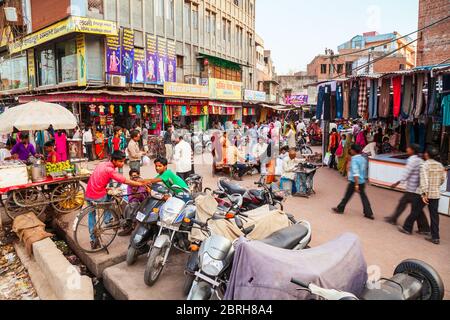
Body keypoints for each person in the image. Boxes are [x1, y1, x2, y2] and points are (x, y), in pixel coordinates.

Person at [85, 151, 151, 249]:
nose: (122, 164)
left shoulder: (102, 164)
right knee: (110, 200)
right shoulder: (110, 170)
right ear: (114, 160)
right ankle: (108, 220)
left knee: (92, 214)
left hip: (89, 192)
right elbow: (124, 180)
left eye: (123, 161)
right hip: (98, 194)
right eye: (120, 161)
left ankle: (93, 239)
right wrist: (141, 183)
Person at [386, 144, 431, 234]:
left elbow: (407, 173)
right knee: (412, 207)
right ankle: (424, 228)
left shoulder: (412, 161)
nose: (407, 149)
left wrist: (397, 183)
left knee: (413, 208)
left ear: (412, 151)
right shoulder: (420, 160)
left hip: (412, 189)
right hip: (417, 188)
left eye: (408, 148)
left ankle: (420, 228)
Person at [333, 144, 375, 220]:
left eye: (351, 149)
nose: (350, 150)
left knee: (347, 196)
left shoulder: (354, 160)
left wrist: (356, 185)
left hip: (354, 182)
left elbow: (356, 173)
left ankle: (340, 209)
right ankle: (368, 213)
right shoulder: (363, 159)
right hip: (362, 181)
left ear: (353, 151)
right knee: (364, 197)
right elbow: (363, 170)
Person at [417, 147, 445, 245]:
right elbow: (442, 180)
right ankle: (435, 237)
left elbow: (424, 180)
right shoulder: (440, 165)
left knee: (416, 209)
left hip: (426, 194)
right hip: (436, 194)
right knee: (434, 216)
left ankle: (411, 227)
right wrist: (435, 186)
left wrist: (425, 193)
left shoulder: (425, 165)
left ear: (427, 154)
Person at [119, 169, 150, 237]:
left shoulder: (141, 183)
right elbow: (130, 195)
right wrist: (134, 194)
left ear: (139, 176)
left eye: (135, 176)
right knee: (125, 205)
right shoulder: (129, 184)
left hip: (143, 202)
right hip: (133, 201)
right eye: (132, 176)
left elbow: (141, 195)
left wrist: (134, 193)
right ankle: (127, 224)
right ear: (130, 177)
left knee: (132, 205)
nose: (134, 178)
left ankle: (130, 226)